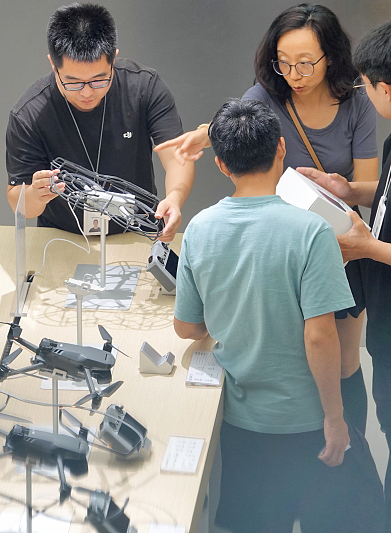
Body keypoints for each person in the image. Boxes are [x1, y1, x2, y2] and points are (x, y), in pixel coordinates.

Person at [156, 3, 376, 434]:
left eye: (306, 63)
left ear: (330, 56)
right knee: (288, 344)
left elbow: (366, 190)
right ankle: (298, 427)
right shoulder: (266, 95)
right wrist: (203, 134)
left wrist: (340, 189)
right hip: (280, 244)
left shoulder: (356, 103)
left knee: (344, 358)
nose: (294, 73)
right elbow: (236, 125)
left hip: (338, 243)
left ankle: (343, 436)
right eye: (285, 63)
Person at [174, 98, 383, 533]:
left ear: (220, 164)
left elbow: (186, 327)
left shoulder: (200, 229)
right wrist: (335, 418)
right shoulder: (311, 231)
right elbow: (321, 337)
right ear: (282, 150)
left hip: (242, 423)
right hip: (308, 424)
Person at [298, 20, 391, 528]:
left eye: (369, 85)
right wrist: (348, 189)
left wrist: (368, 248)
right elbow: (384, 194)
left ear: (384, 89)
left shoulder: (357, 110)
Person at [5, 2, 193, 242]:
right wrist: (35, 194)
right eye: (72, 82)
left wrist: (175, 198)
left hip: (136, 230)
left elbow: (178, 156)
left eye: (99, 80)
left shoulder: (144, 87)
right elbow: (18, 202)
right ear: (53, 64)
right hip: (63, 238)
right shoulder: (29, 114)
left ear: (113, 58)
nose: (86, 93)